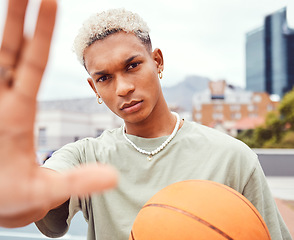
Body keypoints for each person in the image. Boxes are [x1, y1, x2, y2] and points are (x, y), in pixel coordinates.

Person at [0, 1, 292, 240]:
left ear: (158, 62)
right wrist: (13, 191)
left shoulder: (231, 156)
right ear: (94, 88)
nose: (123, 87)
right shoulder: (86, 156)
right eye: (104, 78)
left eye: (133, 65)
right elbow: (38, 193)